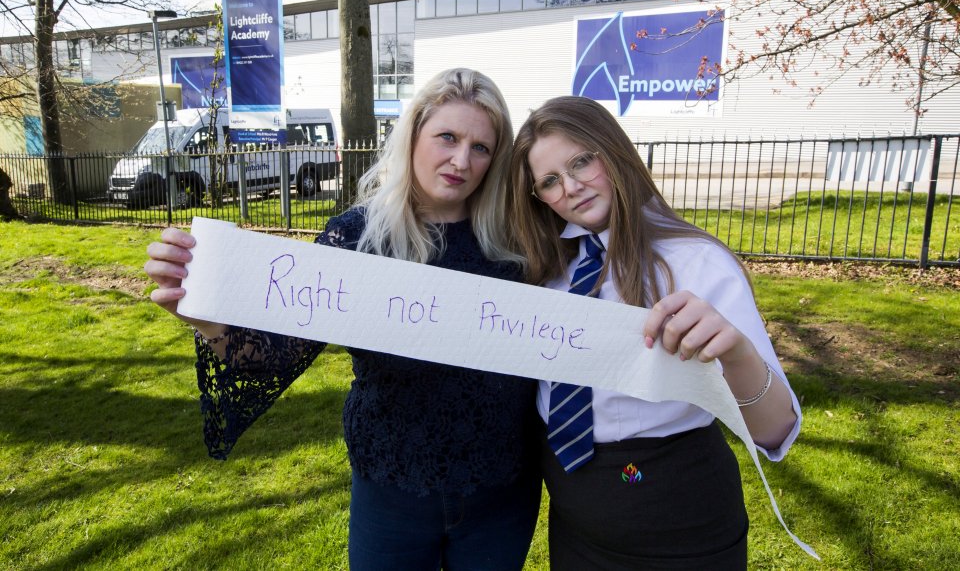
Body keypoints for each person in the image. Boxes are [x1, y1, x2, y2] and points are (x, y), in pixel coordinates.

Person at [144, 68, 541, 570]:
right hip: (391, 491)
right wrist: (201, 315)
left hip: (502, 495)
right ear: (413, 134)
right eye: (447, 137)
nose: (461, 160)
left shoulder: (517, 241)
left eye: (481, 147)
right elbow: (273, 355)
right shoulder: (359, 239)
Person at [508, 95, 802, 570]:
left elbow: (775, 430)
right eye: (549, 181)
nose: (572, 187)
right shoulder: (549, 273)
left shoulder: (696, 262)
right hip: (575, 521)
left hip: (677, 522)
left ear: (613, 149)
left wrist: (737, 353)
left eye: (582, 161)